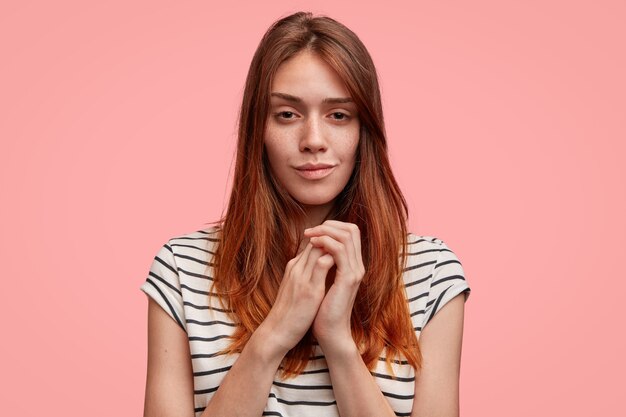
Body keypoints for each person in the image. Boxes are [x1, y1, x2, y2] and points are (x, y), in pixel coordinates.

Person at [141, 11, 471, 417]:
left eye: (338, 115)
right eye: (287, 114)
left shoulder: (432, 273)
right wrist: (275, 333)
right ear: (256, 130)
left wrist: (337, 341)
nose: (313, 140)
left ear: (363, 130)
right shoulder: (181, 269)